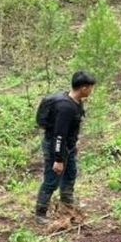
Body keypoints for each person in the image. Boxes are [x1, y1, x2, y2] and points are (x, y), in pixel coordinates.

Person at [35, 71, 97, 224]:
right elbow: (59, 135)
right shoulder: (66, 108)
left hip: (68, 147)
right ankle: (40, 213)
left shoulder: (76, 102)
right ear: (83, 88)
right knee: (52, 179)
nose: (91, 90)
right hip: (56, 147)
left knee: (70, 173)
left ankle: (67, 205)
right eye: (90, 87)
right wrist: (58, 159)